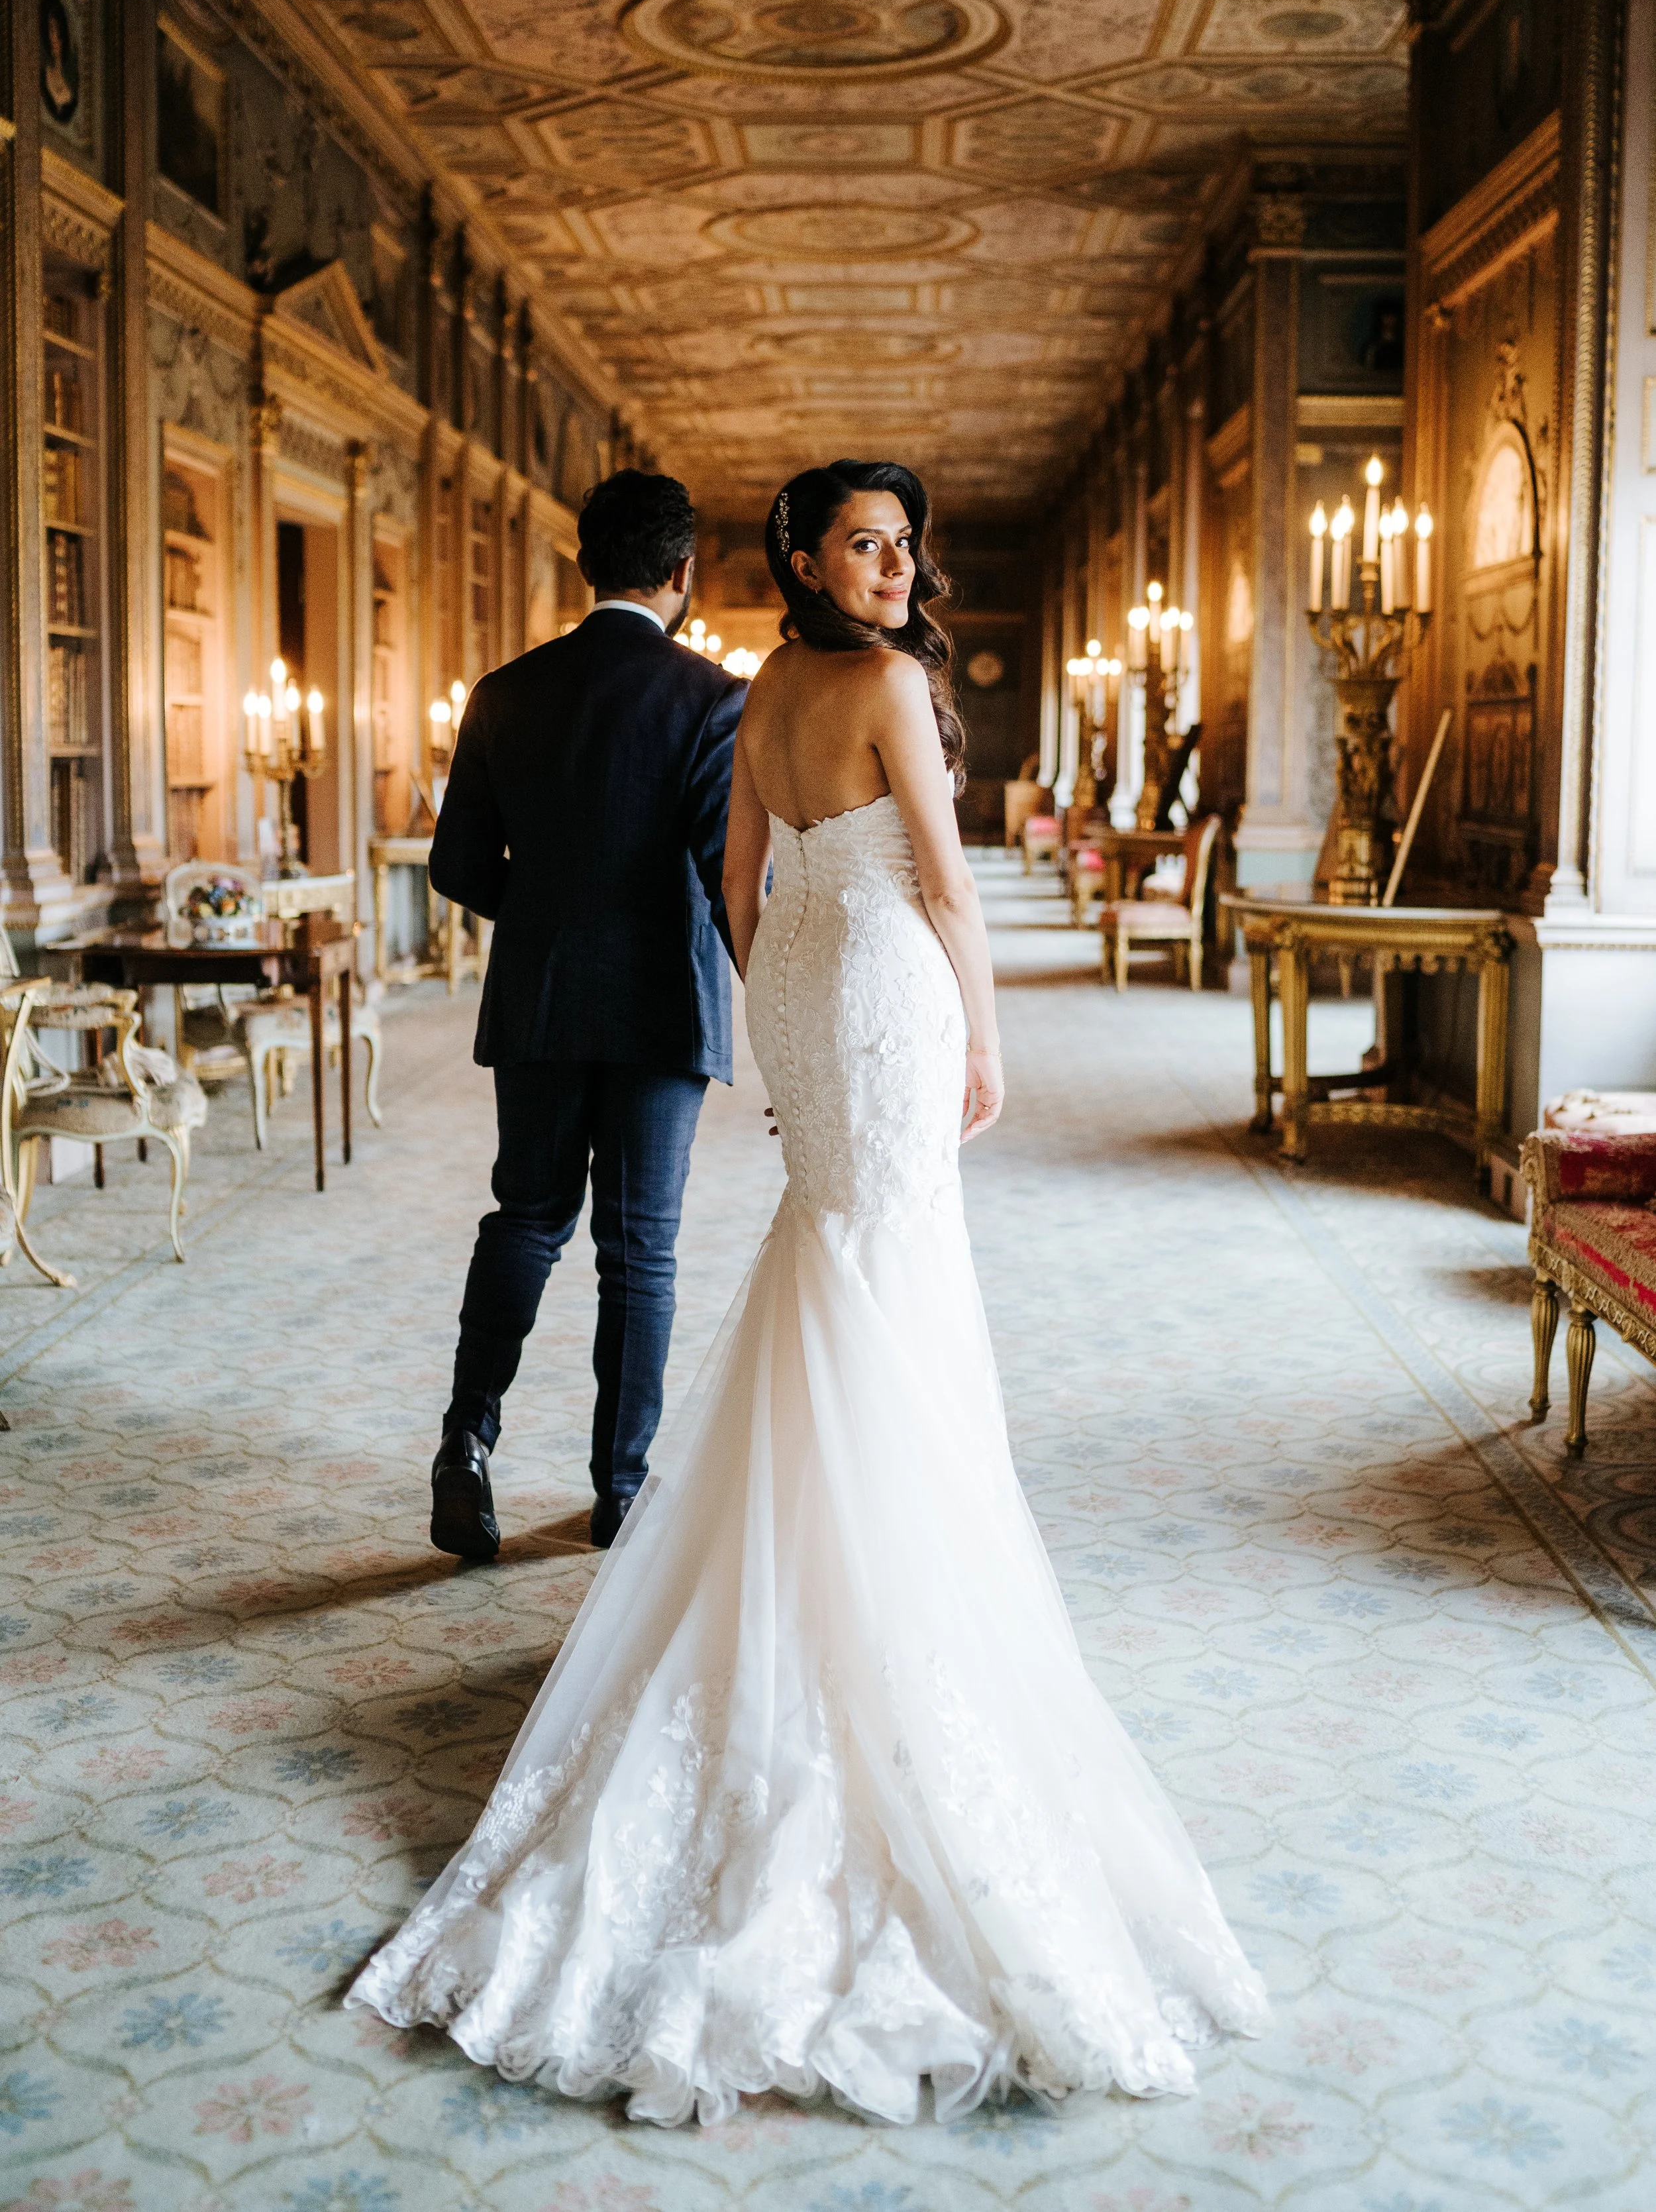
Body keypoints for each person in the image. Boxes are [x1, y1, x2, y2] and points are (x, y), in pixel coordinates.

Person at [350, 458, 1267, 2123]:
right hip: (874, 992)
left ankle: (579, 1482)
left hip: (780, 985)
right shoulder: (880, 683)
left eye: (903, 541)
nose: (894, 561)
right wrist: (984, 1034)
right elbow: (940, 870)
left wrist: (777, 994)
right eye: (866, 539)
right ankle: (815, 1565)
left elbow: (731, 877)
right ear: (798, 556)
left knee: (751, 1248)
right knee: (854, 1264)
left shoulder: (754, 680)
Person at [425, 468, 745, 1561]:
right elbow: (723, 873)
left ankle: (466, 1441)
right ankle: (618, 1492)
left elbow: (457, 864)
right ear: (682, 573)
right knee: (639, 1250)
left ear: (583, 564)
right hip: (663, 1010)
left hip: (545, 997)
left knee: (526, 1216)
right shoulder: (711, 698)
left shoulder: (505, 689)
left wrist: (552, 914)